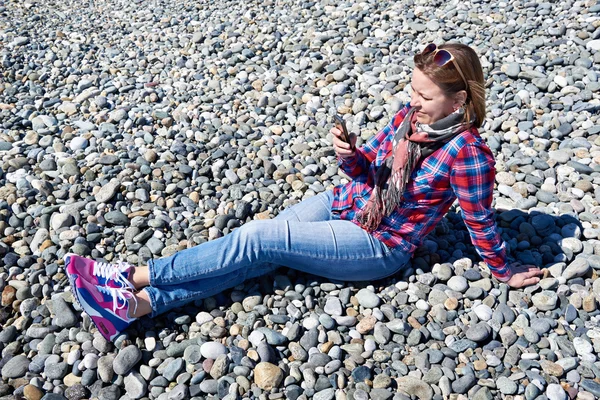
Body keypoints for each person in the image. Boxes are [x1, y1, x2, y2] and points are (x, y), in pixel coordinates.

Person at [65, 42, 543, 341]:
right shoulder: (406, 117)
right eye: (413, 90)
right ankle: (138, 308)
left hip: (380, 244)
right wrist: (348, 153)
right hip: (346, 204)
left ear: (458, 100)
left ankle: (131, 276)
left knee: (258, 239)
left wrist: (504, 269)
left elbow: (479, 219)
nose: (413, 102)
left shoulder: (470, 154)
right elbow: (366, 173)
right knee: (262, 249)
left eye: (425, 96)